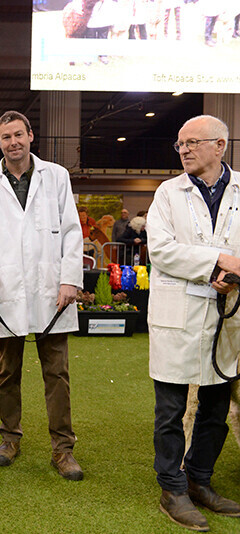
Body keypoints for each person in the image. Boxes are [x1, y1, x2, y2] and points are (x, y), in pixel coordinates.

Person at [0, 110, 84, 481]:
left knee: (57, 372)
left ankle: (63, 448)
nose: (13, 142)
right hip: (6, 288)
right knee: (7, 372)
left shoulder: (57, 176)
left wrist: (69, 280)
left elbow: (71, 231)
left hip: (52, 288)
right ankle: (10, 438)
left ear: (31, 135)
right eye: (6, 137)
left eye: (19, 134)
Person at [146, 114, 240, 531]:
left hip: (227, 312)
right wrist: (217, 262)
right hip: (178, 314)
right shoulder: (168, 193)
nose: (183, 150)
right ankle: (172, 488)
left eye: (192, 143)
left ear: (219, 145)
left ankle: (200, 481)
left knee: (216, 408)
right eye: (180, 144)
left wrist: (235, 274)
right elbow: (161, 249)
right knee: (170, 409)